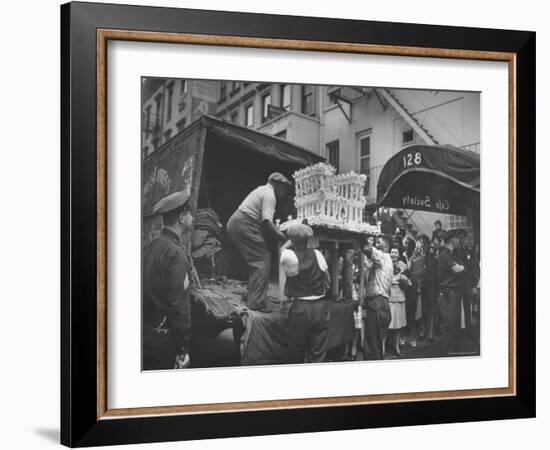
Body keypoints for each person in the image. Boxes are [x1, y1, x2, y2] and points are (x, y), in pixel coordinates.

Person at [142, 191, 194, 370]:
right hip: (163, 343)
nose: (192, 217)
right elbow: (180, 308)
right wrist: (183, 348)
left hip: (146, 335)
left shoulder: (151, 246)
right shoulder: (176, 254)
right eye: (189, 213)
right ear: (181, 217)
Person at [226, 173, 291, 312]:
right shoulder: (270, 195)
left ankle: (253, 295)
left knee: (256, 260)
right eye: (284, 188)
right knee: (262, 259)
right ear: (277, 185)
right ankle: (256, 302)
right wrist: (282, 237)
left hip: (238, 222)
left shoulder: (262, 190)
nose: (284, 192)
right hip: (243, 223)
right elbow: (267, 222)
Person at [280, 224, 331, 363]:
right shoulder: (317, 254)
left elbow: (282, 249)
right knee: (318, 352)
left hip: (301, 308)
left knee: (296, 352)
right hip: (320, 306)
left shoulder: (288, 255)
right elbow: (328, 280)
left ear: (292, 240)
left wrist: (291, 239)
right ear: (308, 239)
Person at [361, 234, 393, 360]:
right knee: (376, 344)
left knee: (373, 346)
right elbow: (369, 265)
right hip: (381, 304)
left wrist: (361, 237)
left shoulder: (383, 256)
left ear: (385, 245)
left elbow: (368, 250)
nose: (376, 244)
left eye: (379, 242)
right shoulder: (385, 261)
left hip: (377, 304)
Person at [436, 229, 466, 355]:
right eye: (458, 238)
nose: (459, 240)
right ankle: (446, 353)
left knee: (453, 324)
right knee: (448, 324)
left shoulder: (452, 254)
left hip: (453, 293)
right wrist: (461, 268)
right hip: (448, 294)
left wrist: (461, 268)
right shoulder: (445, 255)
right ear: (452, 239)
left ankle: (451, 352)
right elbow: (458, 269)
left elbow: (462, 268)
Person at [388, 246, 410, 357]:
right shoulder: (386, 264)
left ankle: (396, 346)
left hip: (399, 297)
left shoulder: (403, 266)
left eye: (395, 253)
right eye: (392, 252)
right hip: (389, 297)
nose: (393, 255)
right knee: (388, 323)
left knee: (398, 325)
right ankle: (385, 346)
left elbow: (407, 283)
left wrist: (402, 278)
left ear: (399, 254)